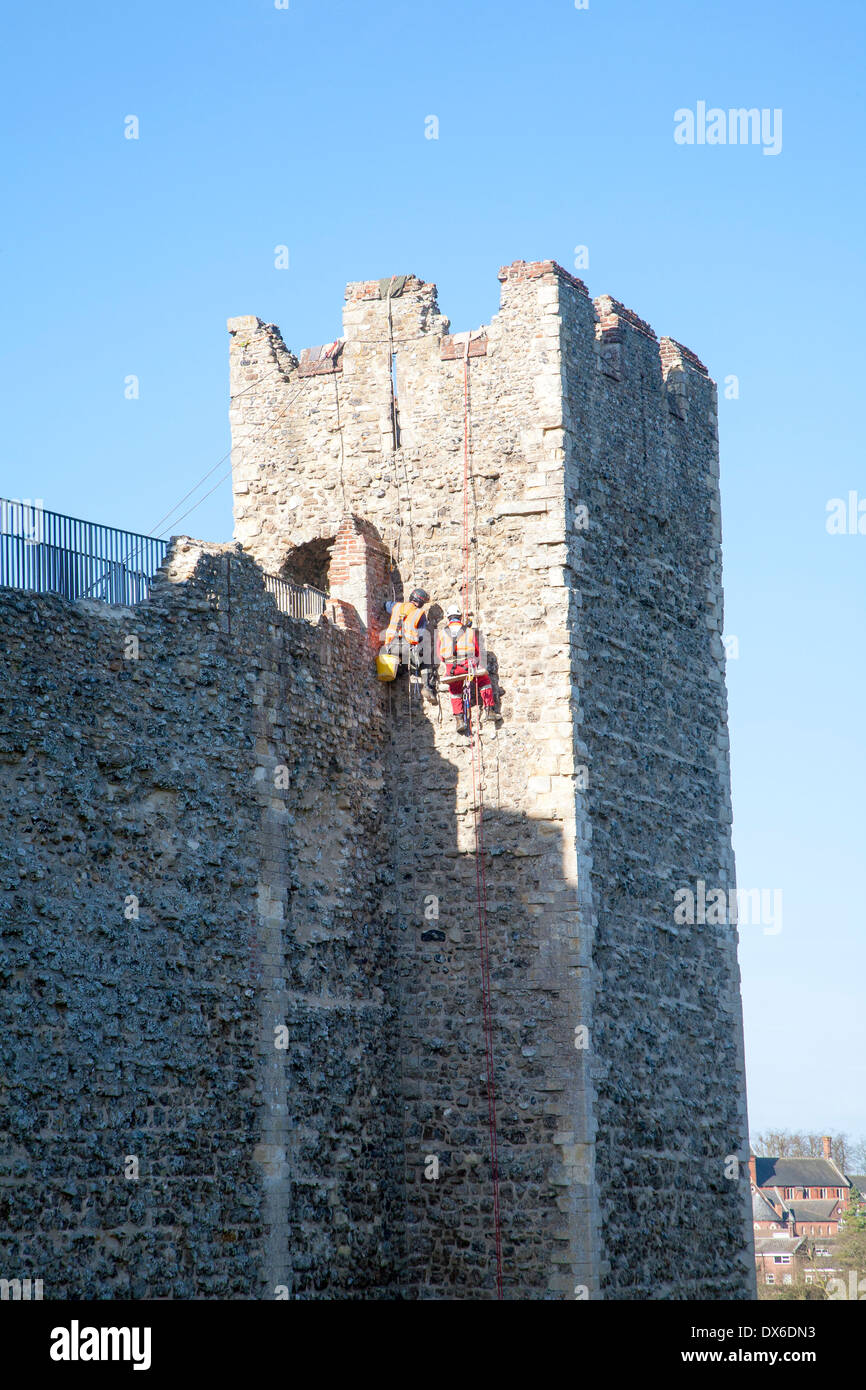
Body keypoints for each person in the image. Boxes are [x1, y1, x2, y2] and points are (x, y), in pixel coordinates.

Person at [436, 605, 495, 734]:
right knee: (484, 680)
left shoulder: (441, 634)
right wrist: (478, 664)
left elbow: (440, 656)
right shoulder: (469, 631)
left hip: (452, 669)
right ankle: (489, 710)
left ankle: (459, 720)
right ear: (460, 617)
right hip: (468, 666)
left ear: (448, 618)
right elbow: (477, 652)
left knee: (455, 690)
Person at [381, 588, 436, 696]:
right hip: (408, 647)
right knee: (425, 660)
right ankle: (427, 688)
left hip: (391, 648)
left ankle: (395, 674)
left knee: (401, 662)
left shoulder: (396, 606)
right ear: (420, 603)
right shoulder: (420, 614)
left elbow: (385, 605)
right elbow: (420, 635)